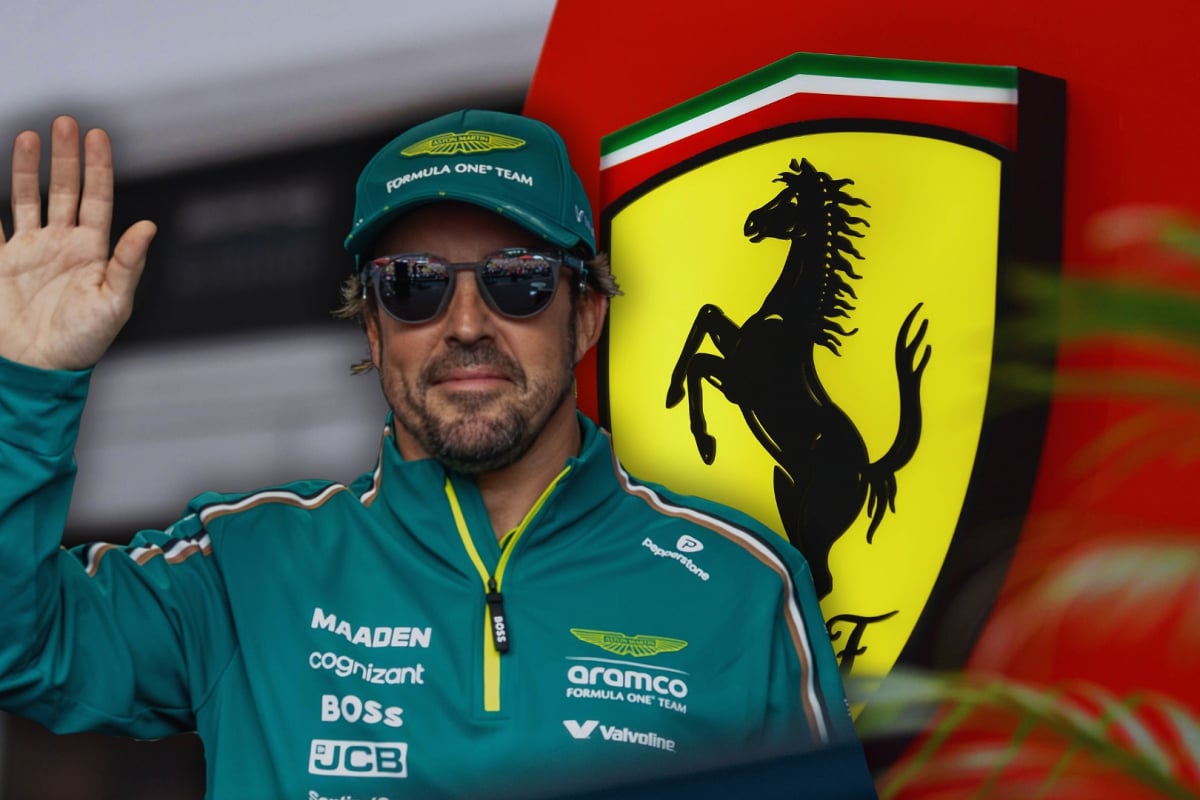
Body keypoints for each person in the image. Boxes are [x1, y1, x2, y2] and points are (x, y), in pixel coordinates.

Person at [0, 109, 876, 799]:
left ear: (587, 317)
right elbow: (18, 644)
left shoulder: (744, 583)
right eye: (413, 285)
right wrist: (23, 388)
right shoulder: (243, 564)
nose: (465, 324)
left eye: (519, 278)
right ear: (374, 331)